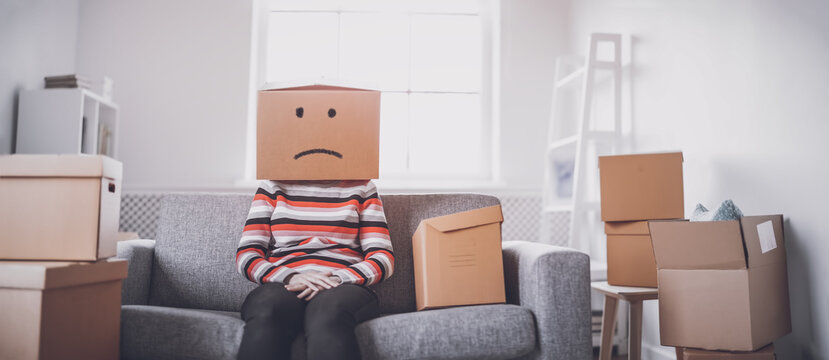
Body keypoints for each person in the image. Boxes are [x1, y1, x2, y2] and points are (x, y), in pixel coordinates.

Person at [235, 179, 394, 360]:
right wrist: (290, 277)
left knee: (329, 314)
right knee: (268, 309)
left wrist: (335, 278)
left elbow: (382, 257)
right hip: (283, 284)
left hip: (342, 286)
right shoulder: (271, 186)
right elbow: (247, 255)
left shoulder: (363, 187)